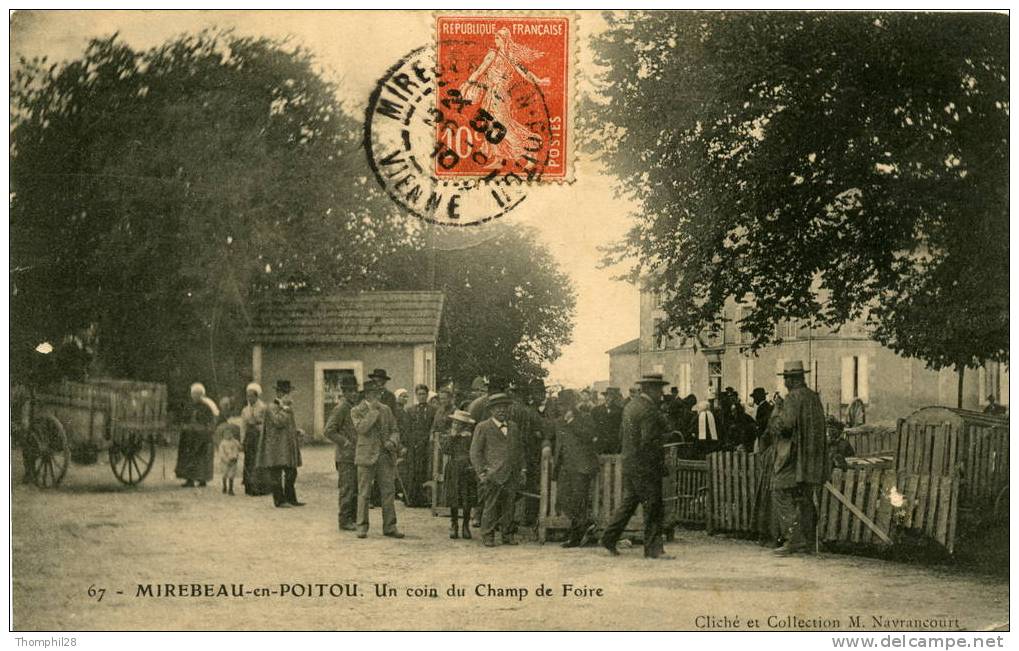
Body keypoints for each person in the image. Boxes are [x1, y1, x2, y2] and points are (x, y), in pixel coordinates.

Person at [601, 373, 671, 559]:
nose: (661, 393)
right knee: (653, 506)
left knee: (629, 503)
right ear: (651, 389)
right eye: (659, 389)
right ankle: (654, 549)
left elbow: (623, 436)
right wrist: (659, 458)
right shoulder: (649, 410)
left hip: (630, 462)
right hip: (646, 465)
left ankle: (608, 538)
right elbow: (648, 440)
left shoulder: (631, 406)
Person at [769, 361, 828, 556]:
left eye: (786, 378)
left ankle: (792, 539)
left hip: (794, 458)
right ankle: (809, 540)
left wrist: (777, 411)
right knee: (804, 497)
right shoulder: (813, 397)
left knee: (780, 490)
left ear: (792, 380)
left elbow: (785, 427)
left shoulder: (793, 398)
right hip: (812, 458)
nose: (785, 381)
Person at [470, 392, 526, 547]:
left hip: (511, 473)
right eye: (497, 408)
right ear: (491, 410)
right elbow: (475, 452)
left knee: (509, 505)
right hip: (492, 474)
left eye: (504, 407)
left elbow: (520, 450)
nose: (501, 410)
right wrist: (482, 472)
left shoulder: (514, 427)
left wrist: (522, 470)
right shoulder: (483, 427)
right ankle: (488, 535)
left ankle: (507, 534)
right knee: (491, 505)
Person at [351, 380, 405, 539]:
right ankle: (361, 527)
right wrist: (373, 411)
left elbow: (395, 430)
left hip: (384, 456)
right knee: (364, 493)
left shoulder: (387, 410)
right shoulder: (356, 410)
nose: (379, 396)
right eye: (375, 393)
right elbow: (362, 428)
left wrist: (392, 441)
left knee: (388, 492)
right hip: (366, 456)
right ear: (367, 395)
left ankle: (390, 526)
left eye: (380, 393)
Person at [554, 390, 598, 548]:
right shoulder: (559, 422)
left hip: (581, 468)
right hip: (565, 467)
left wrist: (572, 422)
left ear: (572, 405)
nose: (561, 408)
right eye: (559, 405)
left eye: (564, 405)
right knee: (563, 499)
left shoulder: (585, 418)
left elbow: (589, 436)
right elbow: (551, 438)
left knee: (578, 501)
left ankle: (576, 536)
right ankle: (585, 525)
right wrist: (546, 446)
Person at [256, 380, 304, 508]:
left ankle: (291, 498)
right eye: (286, 393)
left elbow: (286, 424)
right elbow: (278, 422)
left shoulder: (285, 407)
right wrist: (286, 409)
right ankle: (279, 500)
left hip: (286, 445)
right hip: (276, 447)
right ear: (279, 393)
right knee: (276, 473)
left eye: (289, 393)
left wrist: (296, 431)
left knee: (291, 472)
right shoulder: (271, 407)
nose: (289, 396)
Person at [323, 375, 360, 531]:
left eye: (355, 390)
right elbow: (328, 431)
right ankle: (344, 520)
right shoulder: (341, 408)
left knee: (355, 488)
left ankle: (353, 518)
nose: (354, 394)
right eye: (350, 391)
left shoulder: (355, 407)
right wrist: (345, 442)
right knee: (348, 488)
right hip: (345, 457)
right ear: (344, 392)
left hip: (356, 455)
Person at [442, 410, 478, 539]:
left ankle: (465, 525)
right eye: (455, 423)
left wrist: (472, 465)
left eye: (459, 424)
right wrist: (452, 436)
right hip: (453, 468)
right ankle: (454, 524)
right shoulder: (450, 437)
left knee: (467, 497)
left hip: (467, 468)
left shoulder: (470, 437)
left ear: (465, 425)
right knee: (454, 497)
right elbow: (445, 450)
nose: (456, 426)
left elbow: (475, 452)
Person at [175, 382, 218, 488]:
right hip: (189, 435)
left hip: (202, 436)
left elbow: (211, 422)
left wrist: (205, 430)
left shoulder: (207, 407)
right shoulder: (189, 406)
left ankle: (202, 479)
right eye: (193, 394)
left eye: (197, 394)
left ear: (202, 395)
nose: (194, 396)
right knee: (188, 456)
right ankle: (189, 479)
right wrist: (185, 425)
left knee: (201, 458)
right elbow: (184, 418)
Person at [405, 384, 436, 507]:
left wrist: (427, 440)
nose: (421, 397)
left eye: (423, 394)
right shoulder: (410, 410)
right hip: (413, 444)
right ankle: (412, 499)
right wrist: (411, 443)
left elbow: (433, 427)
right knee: (413, 470)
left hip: (427, 444)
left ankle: (425, 499)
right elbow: (407, 429)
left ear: (427, 395)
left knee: (425, 470)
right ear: (416, 395)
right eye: (419, 394)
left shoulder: (433, 410)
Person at [240, 383, 272, 496]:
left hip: (260, 436)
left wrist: (258, 426)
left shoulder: (263, 408)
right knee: (249, 460)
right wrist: (242, 440)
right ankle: (249, 486)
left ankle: (262, 487)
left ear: (257, 396)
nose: (249, 398)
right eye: (247, 396)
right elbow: (243, 425)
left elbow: (267, 423)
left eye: (251, 396)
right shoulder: (245, 410)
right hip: (250, 437)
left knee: (259, 461)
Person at [591, 387, 624, 454]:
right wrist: (594, 436)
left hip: (614, 442)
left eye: (610, 396)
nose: (608, 398)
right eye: (606, 396)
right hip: (601, 441)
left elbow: (621, 427)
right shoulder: (596, 410)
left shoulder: (619, 410)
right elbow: (592, 425)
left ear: (614, 398)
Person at [217, 422, 242, 495]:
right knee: (225, 474)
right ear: (223, 435)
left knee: (232, 475)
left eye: (230, 433)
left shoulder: (235, 441)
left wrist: (238, 445)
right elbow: (221, 453)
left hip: (233, 460)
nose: (228, 435)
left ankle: (231, 489)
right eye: (226, 433)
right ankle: (224, 486)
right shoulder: (222, 443)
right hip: (225, 462)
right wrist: (225, 459)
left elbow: (240, 448)